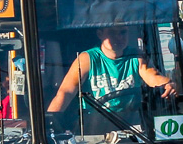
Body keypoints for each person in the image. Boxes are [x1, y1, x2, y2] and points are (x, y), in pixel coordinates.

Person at [46, 25, 176, 123]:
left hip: (131, 124)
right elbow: (66, 93)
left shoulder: (136, 57)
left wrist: (168, 85)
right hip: (95, 123)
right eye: (113, 33)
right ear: (100, 34)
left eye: (123, 32)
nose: (119, 37)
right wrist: (51, 122)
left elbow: (152, 76)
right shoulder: (87, 58)